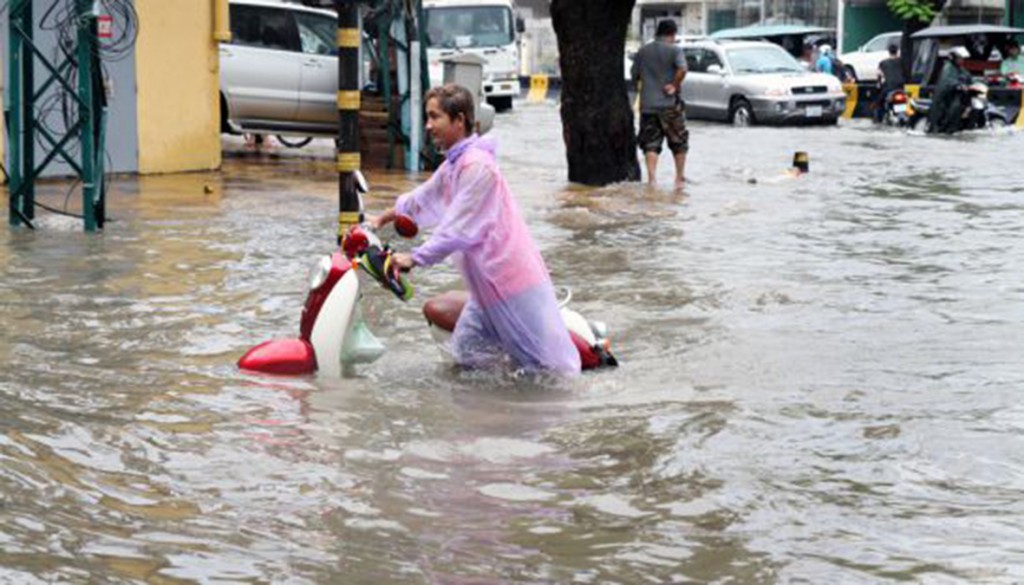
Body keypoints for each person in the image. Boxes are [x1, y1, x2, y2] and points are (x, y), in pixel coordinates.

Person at [369, 84, 581, 376]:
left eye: (435, 117)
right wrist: (380, 219)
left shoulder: (477, 167)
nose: (428, 126)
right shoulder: (455, 164)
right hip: (486, 287)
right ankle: (489, 415)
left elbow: (457, 228)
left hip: (511, 282)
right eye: (428, 117)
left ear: (459, 120)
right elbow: (421, 199)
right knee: (467, 357)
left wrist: (414, 258)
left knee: (544, 370)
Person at [630, 19, 688, 190]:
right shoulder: (675, 50)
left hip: (648, 105)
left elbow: (634, 75)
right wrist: (674, 85)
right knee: (679, 142)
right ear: (673, 33)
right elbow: (683, 69)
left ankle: (652, 180)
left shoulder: (643, 51)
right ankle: (678, 179)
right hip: (670, 105)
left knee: (651, 144)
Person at [928, 46, 972, 134]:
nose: (962, 60)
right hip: (945, 99)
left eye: (962, 59)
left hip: (956, 95)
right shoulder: (948, 68)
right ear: (954, 58)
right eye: (960, 58)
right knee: (955, 108)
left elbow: (967, 76)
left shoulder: (960, 68)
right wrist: (958, 85)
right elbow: (948, 80)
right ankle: (947, 128)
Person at [875, 43, 906, 123]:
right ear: (897, 51)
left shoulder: (883, 63)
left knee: (879, 103)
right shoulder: (902, 61)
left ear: (889, 51)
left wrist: (878, 83)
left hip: (889, 88)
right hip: (901, 88)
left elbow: (879, 75)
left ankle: (878, 119)